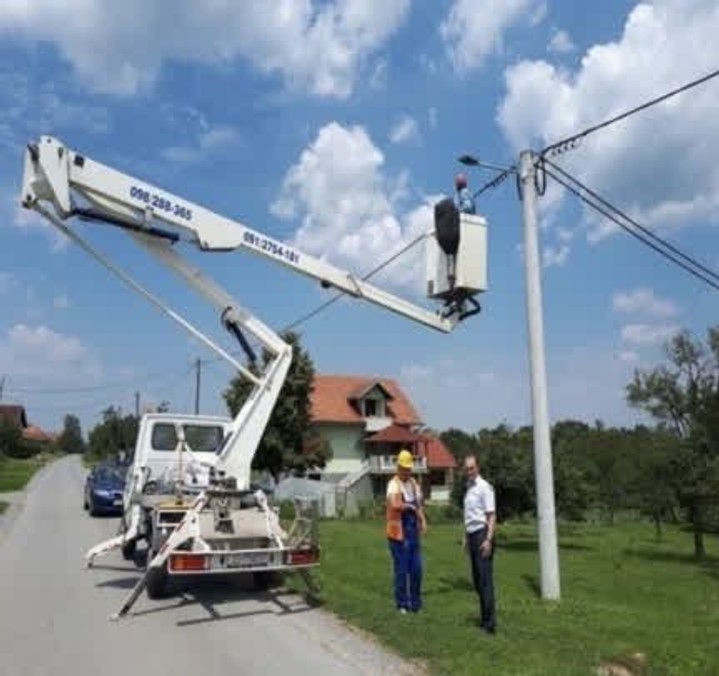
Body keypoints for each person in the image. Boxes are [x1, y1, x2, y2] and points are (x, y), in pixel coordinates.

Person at [386, 448, 427, 613]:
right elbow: (395, 504)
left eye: (409, 468)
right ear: (398, 467)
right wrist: (409, 506)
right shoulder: (393, 484)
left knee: (417, 569)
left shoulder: (414, 483)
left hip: (412, 532)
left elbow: (419, 505)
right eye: (404, 468)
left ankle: (415, 604)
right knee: (401, 570)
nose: (407, 471)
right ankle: (402, 603)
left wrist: (423, 520)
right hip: (397, 533)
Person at [462, 453, 496, 633]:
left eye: (472, 468)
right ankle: (484, 619)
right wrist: (465, 537)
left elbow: (491, 516)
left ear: (478, 467)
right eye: (467, 469)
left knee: (485, 581)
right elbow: (469, 516)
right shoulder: (468, 488)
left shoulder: (485, 488)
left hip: (483, 535)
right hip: (472, 535)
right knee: (477, 581)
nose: (469, 471)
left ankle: (490, 625)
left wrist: (488, 540)